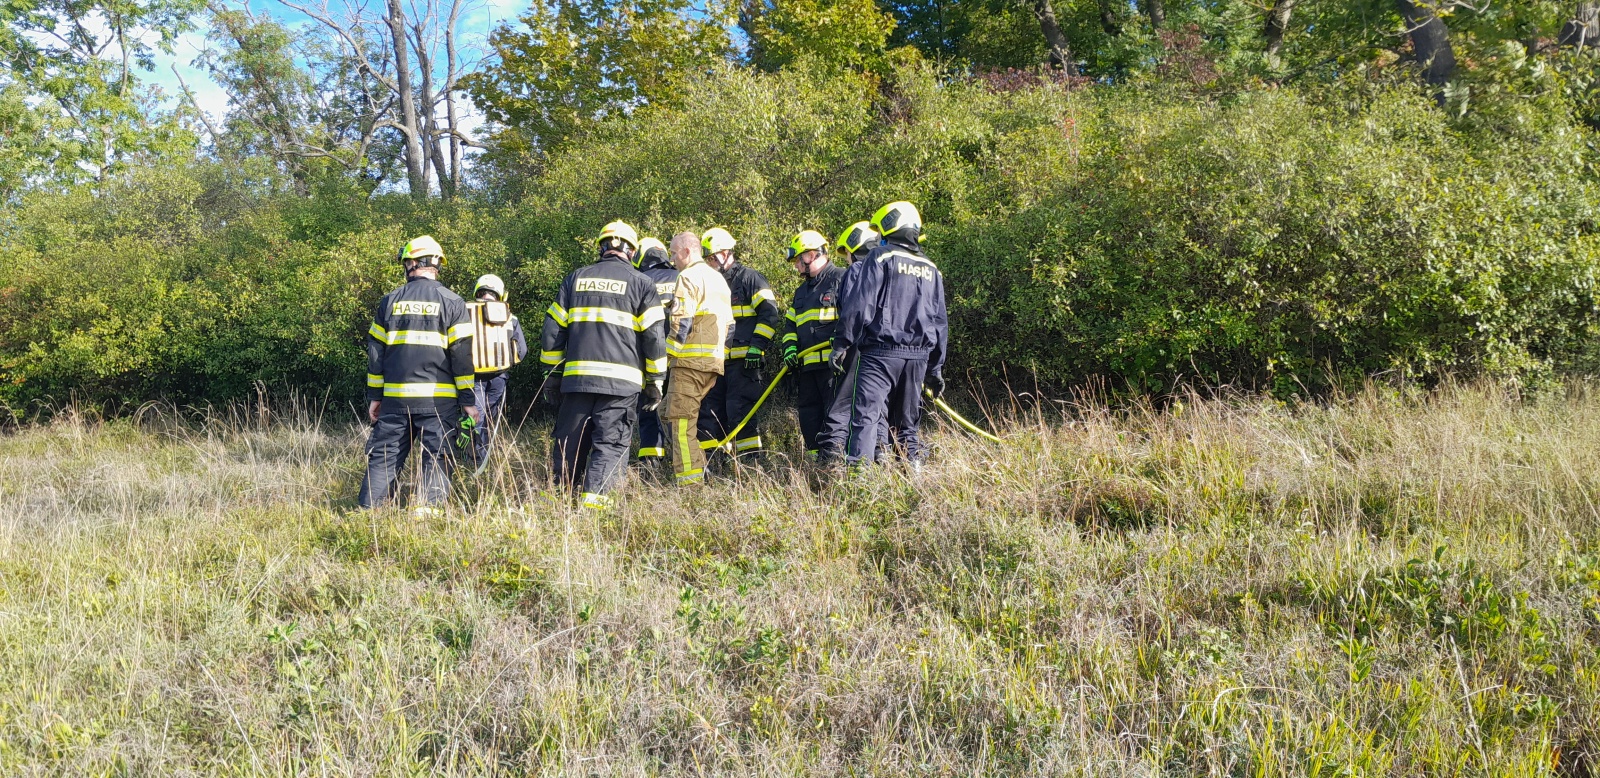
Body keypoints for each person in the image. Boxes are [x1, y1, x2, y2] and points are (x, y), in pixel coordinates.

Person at [539, 221, 668, 509]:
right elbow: (654, 337)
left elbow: (551, 331)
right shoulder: (642, 283)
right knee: (610, 444)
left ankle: (558, 500)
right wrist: (655, 380)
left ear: (602, 247)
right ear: (632, 251)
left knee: (569, 442)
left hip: (577, 381)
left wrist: (552, 375)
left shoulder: (575, 279)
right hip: (622, 384)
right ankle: (595, 507)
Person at [359, 235, 479, 514]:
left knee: (384, 458)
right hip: (439, 401)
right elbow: (462, 357)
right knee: (437, 457)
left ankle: (368, 514)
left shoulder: (389, 301)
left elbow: (375, 355)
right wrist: (468, 401)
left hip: (394, 400)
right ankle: (427, 515)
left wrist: (375, 396)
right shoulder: (452, 302)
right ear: (436, 264)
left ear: (412, 263)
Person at [832, 202, 948, 468]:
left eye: (880, 231)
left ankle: (860, 480)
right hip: (918, 357)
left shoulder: (880, 257)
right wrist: (935, 369)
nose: (879, 237)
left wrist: (842, 343)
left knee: (866, 417)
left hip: (880, 354)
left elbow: (860, 304)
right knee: (907, 424)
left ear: (890, 226)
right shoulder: (931, 268)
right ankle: (912, 476)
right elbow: (940, 322)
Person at [696, 227, 782, 459]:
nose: (709, 263)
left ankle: (749, 464)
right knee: (710, 414)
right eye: (707, 259)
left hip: (744, 363)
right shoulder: (710, 284)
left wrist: (757, 347)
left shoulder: (750, 279)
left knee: (740, 413)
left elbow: (769, 314)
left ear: (725, 254)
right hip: (715, 364)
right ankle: (714, 465)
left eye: (712, 258)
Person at [659, 231, 734, 485]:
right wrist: (719, 358)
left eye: (673, 253)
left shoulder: (688, 276)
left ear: (687, 251)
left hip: (688, 364)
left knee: (680, 424)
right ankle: (699, 467)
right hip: (712, 365)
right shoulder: (718, 279)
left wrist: (665, 359)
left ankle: (690, 483)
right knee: (670, 413)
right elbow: (730, 327)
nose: (672, 259)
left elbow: (681, 323)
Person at [815, 221, 891, 464]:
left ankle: (832, 459)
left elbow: (853, 311)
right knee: (877, 405)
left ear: (856, 247)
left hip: (857, 346)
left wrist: (841, 344)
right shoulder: (888, 268)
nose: (846, 260)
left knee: (843, 402)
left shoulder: (858, 270)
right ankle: (881, 454)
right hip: (884, 350)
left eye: (847, 254)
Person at [780, 229, 848, 458]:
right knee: (809, 418)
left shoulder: (841, 278)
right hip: (807, 368)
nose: (796, 266)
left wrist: (840, 340)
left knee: (835, 417)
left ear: (810, 255)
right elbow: (790, 325)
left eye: (798, 260)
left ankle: (835, 462)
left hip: (834, 367)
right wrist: (789, 348)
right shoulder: (801, 292)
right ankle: (816, 466)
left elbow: (852, 317)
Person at [466, 273, 527, 464]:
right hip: (499, 377)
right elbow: (521, 350)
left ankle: (474, 459)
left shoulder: (465, 314)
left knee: (475, 416)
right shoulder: (510, 317)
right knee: (490, 418)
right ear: (500, 293)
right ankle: (483, 457)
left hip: (472, 376)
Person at [633, 237, 679, 466]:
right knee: (684, 409)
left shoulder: (639, 281)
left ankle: (652, 460)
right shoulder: (682, 277)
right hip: (681, 357)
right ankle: (685, 456)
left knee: (649, 408)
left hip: (649, 359)